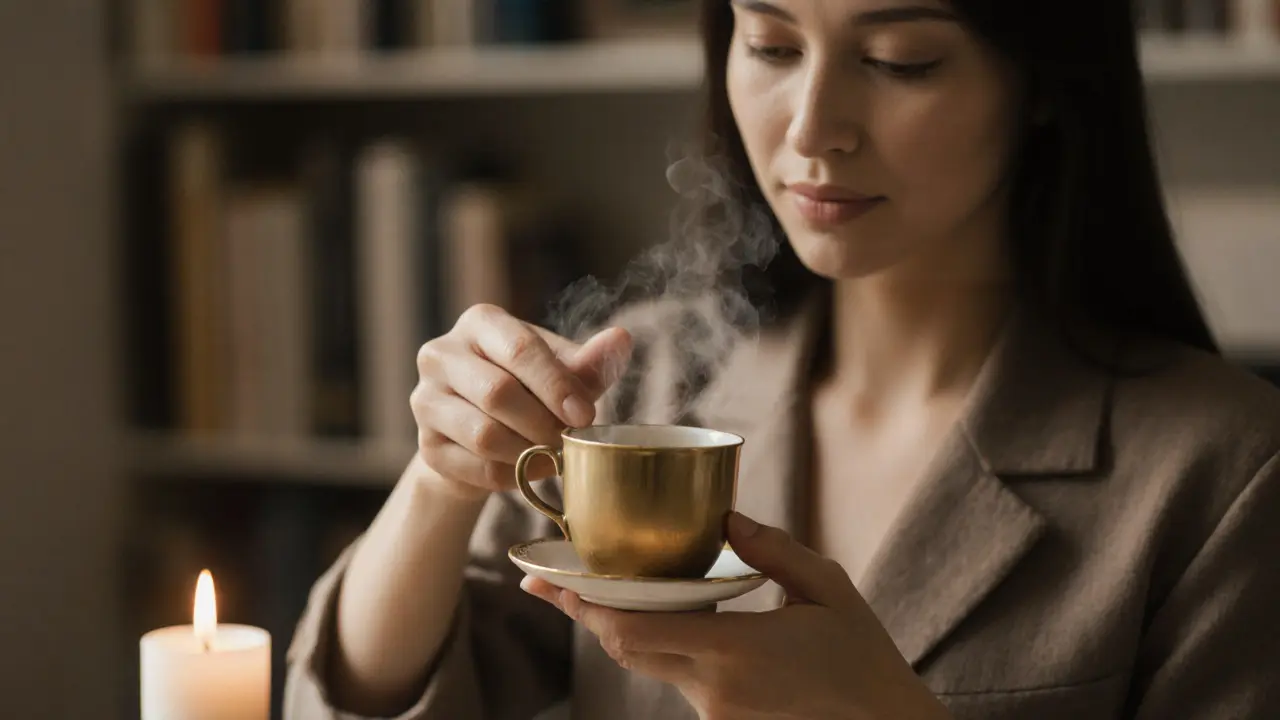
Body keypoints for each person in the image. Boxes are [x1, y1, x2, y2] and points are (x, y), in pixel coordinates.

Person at [284, 1, 1280, 718]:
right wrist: (438, 478)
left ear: (1042, 88)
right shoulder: (650, 374)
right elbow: (353, 702)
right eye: (767, 44)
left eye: (896, 60)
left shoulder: (1218, 469)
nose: (810, 130)